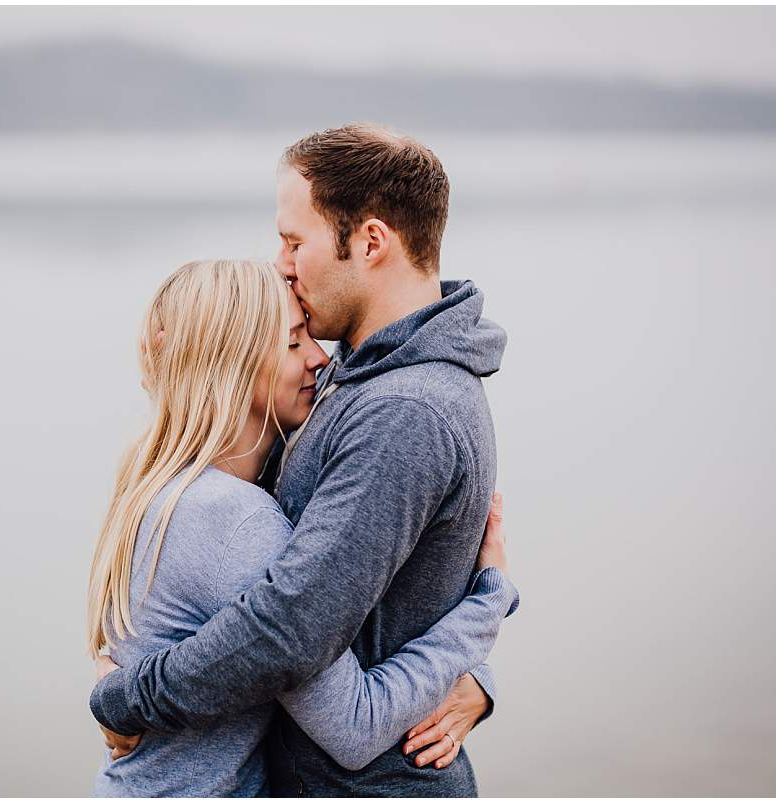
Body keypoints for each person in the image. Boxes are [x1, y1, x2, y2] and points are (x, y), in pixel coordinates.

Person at [91, 123, 509, 796]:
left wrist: (127, 695)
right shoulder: (353, 371)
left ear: (370, 242)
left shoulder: (405, 409)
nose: (281, 263)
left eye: (293, 241)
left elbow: (288, 629)